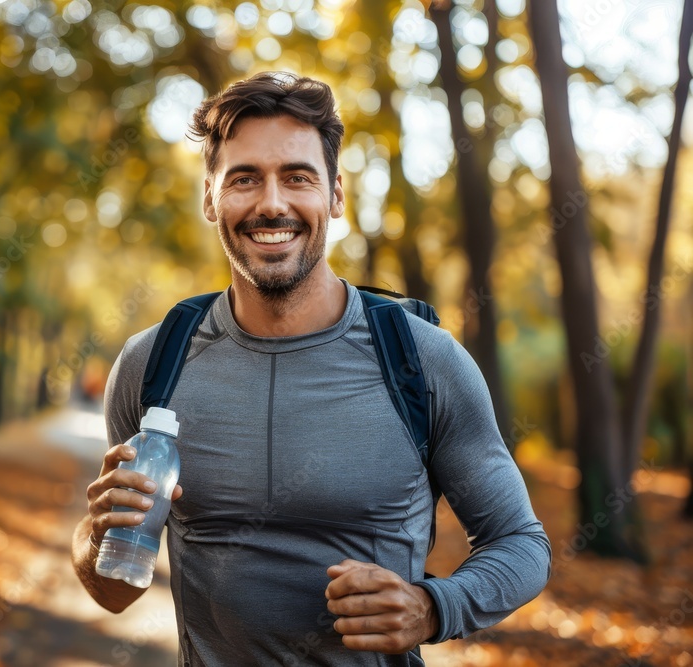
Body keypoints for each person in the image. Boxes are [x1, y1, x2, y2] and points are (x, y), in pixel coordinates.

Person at [71, 71, 551, 666]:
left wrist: (433, 606)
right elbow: (114, 591)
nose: (272, 203)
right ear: (210, 197)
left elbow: (521, 544)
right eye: (244, 179)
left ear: (336, 195)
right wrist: (97, 536)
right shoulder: (153, 364)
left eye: (297, 177)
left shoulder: (422, 360)